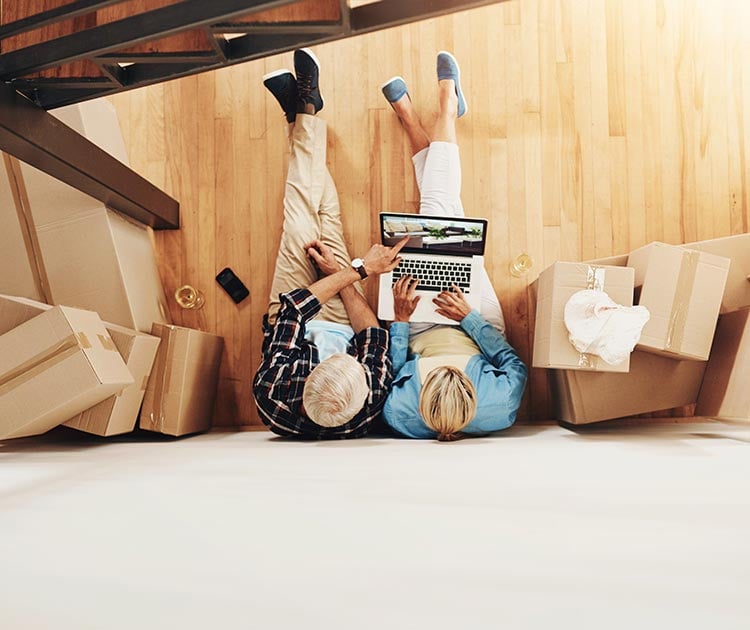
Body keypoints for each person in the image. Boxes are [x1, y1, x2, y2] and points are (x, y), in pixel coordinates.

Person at [253, 48, 408, 439]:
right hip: (345, 321)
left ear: (307, 376)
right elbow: (371, 337)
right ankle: (302, 113)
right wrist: (341, 276)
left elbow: (292, 311)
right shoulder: (368, 398)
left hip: (292, 316)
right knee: (325, 216)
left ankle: (304, 111)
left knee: (300, 218)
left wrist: (359, 269)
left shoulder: (274, 394)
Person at [379, 52, 528, 441]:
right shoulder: (498, 408)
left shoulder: (401, 416)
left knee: (442, 214)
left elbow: (396, 370)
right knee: (441, 215)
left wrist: (400, 319)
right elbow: (511, 362)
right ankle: (444, 106)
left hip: (419, 327)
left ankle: (432, 114)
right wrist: (468, 318)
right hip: (475, 324)